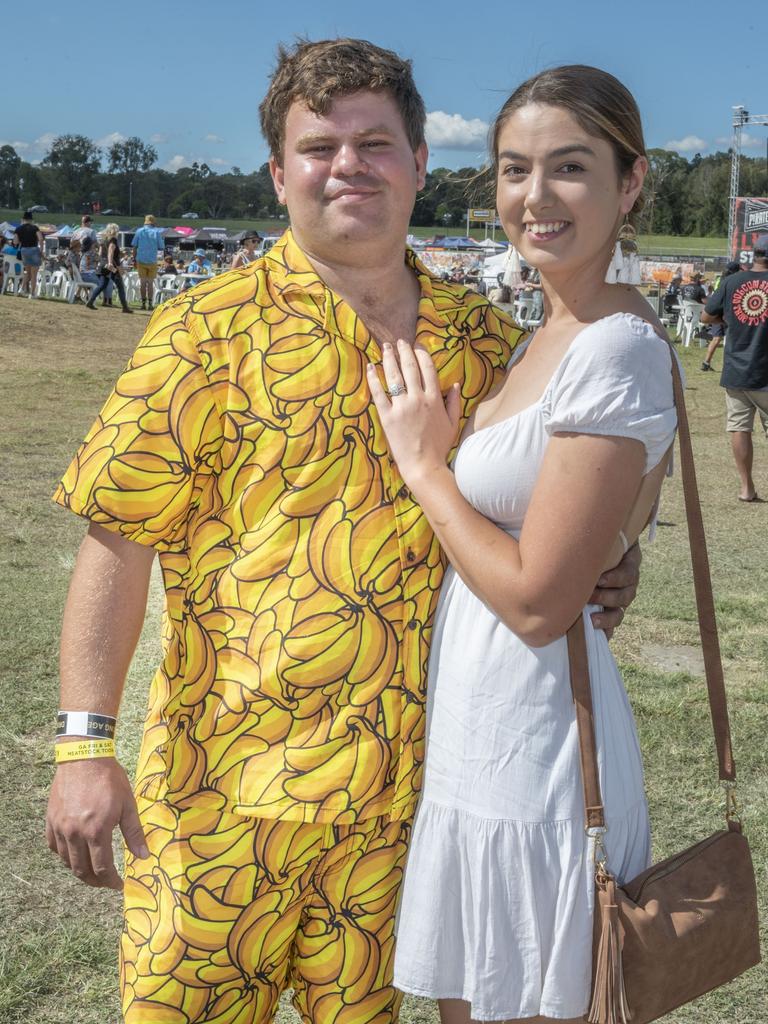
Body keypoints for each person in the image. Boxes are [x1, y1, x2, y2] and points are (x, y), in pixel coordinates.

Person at [46, 39, 638, 1024]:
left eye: (376, 142)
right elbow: (118, 542)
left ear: (417, 163)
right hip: (217, 806)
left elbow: (559, 504)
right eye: (319, 147)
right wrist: (82, 748)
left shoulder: (488, 344)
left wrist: (614, 566)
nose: (348, 165)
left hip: (399, 815)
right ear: (280, 175)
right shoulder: (200, 333)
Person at [371, 65, 677, 1024]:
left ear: (630, 185)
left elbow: (544, 602)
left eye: (571, 168)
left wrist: (426, 469)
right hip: (485, 743)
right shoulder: (541, 333)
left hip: (542, 757)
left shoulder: (616, 346)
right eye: (513, 169)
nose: (535, 196)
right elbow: (597, 536)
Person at [701, 235, 768, 502]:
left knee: (740, 428)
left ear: (754, 255)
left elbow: (706, 316)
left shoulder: (731, 282)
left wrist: (730, 317)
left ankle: (746, 488)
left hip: (737, 370)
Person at [701, 260, 740, 371]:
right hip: (727, 313)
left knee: (716, 338)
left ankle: (706, 362)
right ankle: (729, 365)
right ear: (736, 271)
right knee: (731, 340)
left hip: (716, 313)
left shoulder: (719, 280)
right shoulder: (733, 282)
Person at [85, 223, 132, 313]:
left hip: (103, 265)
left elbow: (100, 253)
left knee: (102, 285)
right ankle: (125, 307)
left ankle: (90, 301)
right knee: (120, 285)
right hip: (111, 265)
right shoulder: (113, 239)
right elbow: (110, 251)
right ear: (115, 230)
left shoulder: (104, 240)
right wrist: (110, 262)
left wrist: (100, 262)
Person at [131, 214, 165, 310]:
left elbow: (134, 246)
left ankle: (143, 303)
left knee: (142, 282)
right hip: (152, 261)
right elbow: (161, 247)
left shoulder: (139, 231)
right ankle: (150, 304)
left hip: (140, 259)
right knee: (150, 283)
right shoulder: (157, 232)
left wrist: (134, 259)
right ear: (153, 223)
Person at [12, 210, 44, 297]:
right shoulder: (35, 228)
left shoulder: (18, 229)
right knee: (34, 274)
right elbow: (40, 239)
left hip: (24, 250)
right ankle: (32, 294)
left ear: (23, 219)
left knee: (28, 272)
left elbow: (15, 242)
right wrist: (41, 250)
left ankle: (21, 289)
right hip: (33, 250)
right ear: (31, 220)